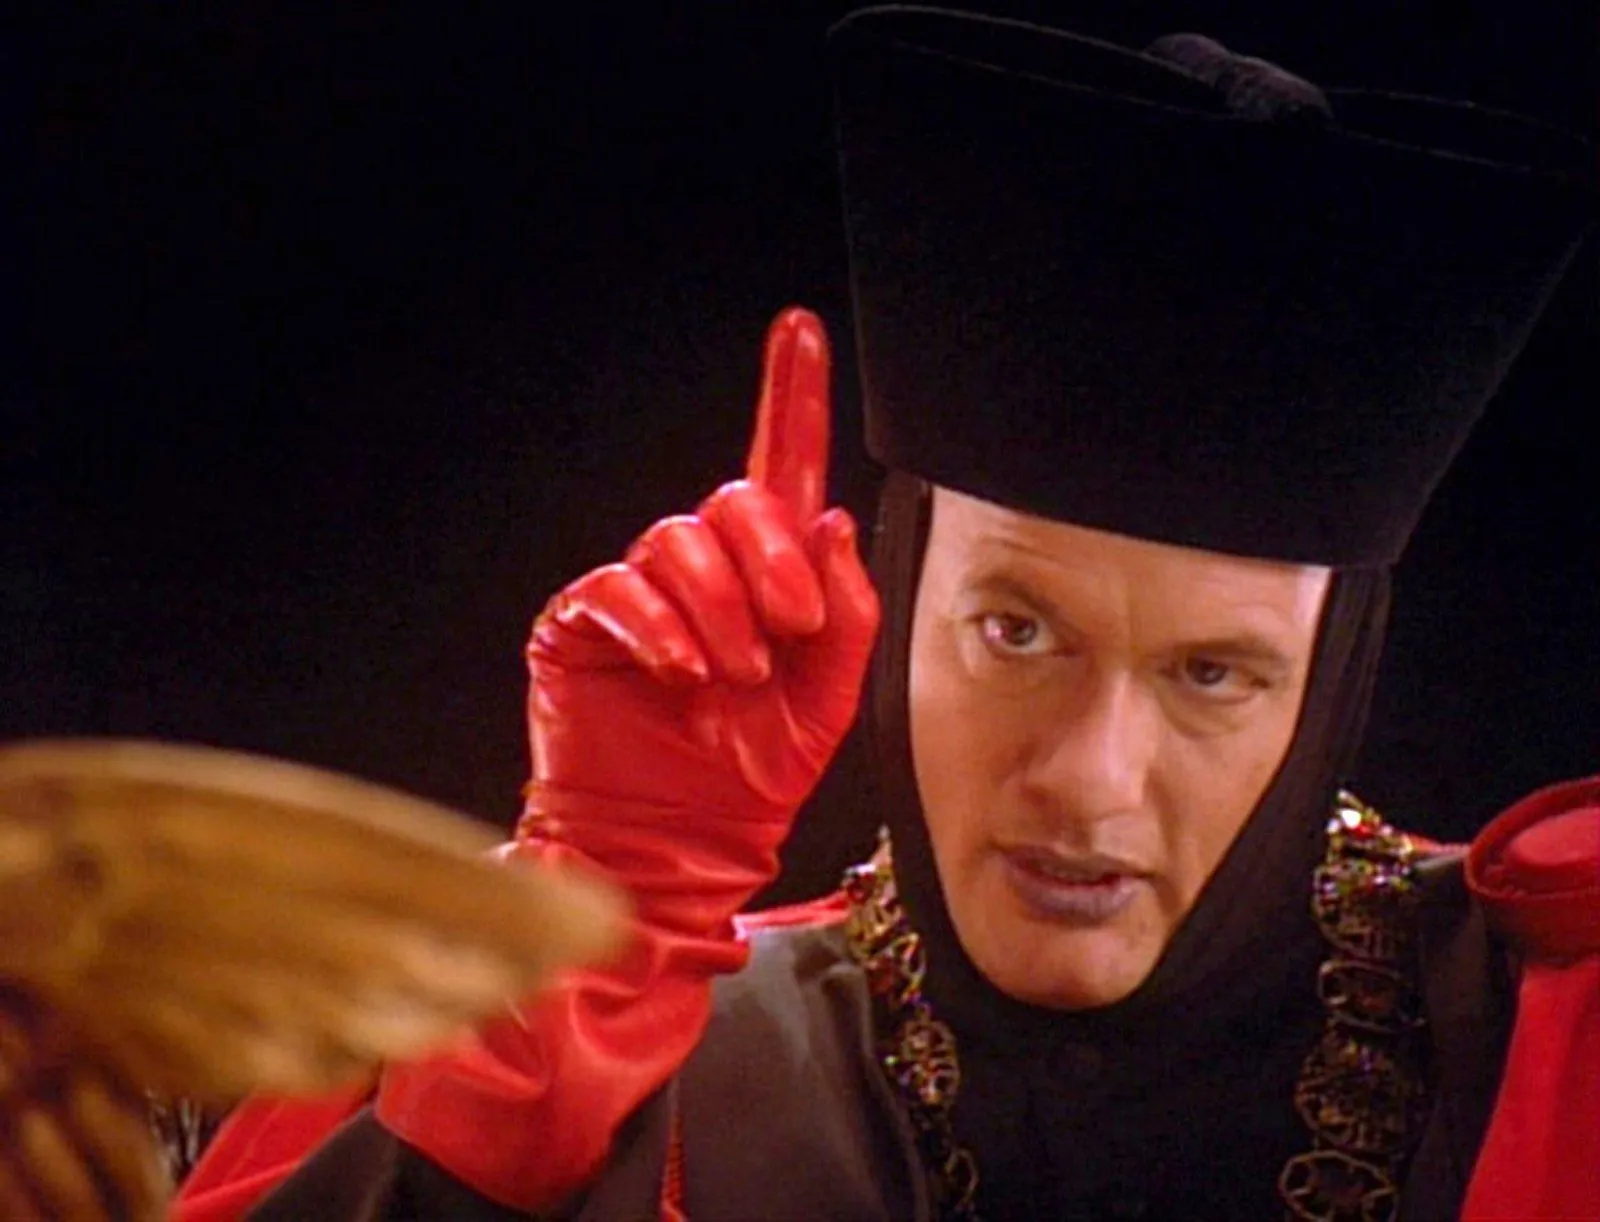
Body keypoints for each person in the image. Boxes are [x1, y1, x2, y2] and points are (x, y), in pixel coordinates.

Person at [173, 9, 1598, 1221]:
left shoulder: (1559, 1031)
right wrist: (590, 938)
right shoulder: (631, 1043)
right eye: (1017, 632)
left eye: (1213, 673)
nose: (1088, 781)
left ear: (1330, 681)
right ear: (900, 603)